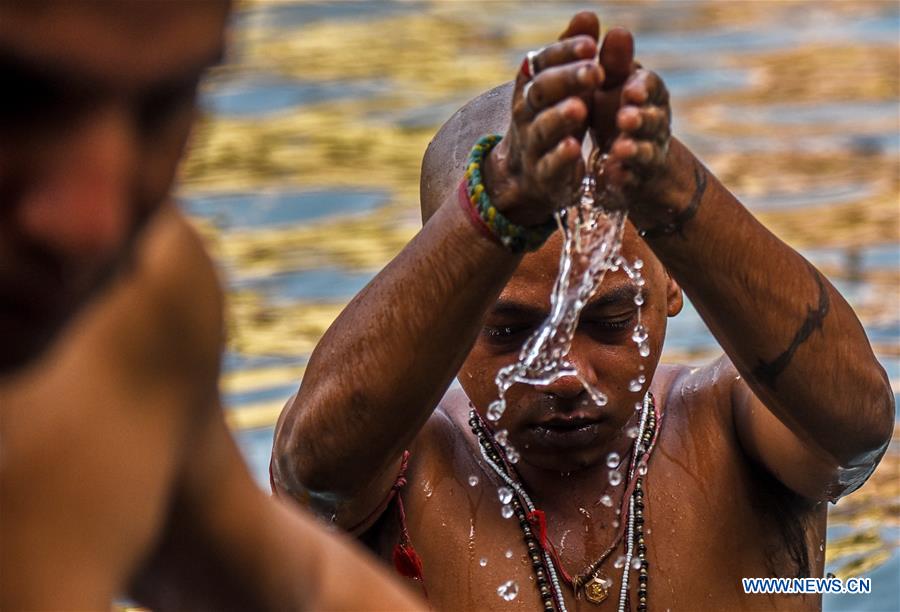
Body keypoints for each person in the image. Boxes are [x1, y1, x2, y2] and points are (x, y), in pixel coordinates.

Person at [271, 11, 895, 611]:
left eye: (610, 322)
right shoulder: (406, 466)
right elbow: (311, 482)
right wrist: (496, 211)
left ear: (672, 282)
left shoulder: (734, 430)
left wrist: (673, 190)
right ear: (451, 317)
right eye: (510, 332)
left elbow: (856, 430)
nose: (565, 374)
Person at [0, 1, 423, 609]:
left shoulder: (132, 311)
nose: (94, 224)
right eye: (17, 97)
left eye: (164, 107)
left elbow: (304, 587)